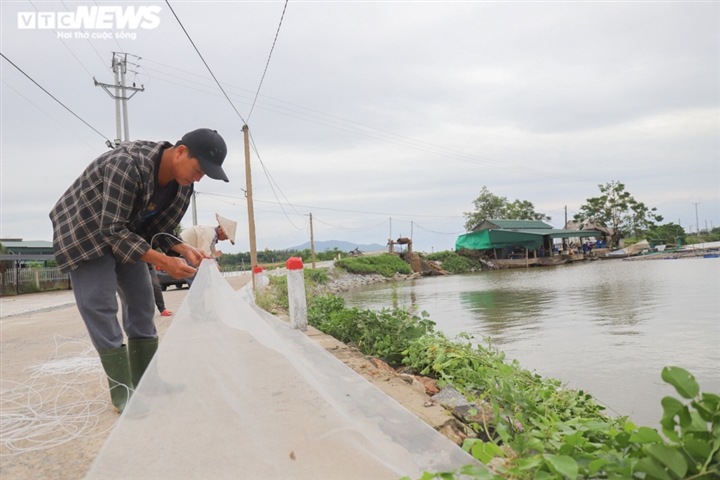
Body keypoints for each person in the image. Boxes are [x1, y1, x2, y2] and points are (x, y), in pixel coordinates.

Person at [49, 128, 229, 414]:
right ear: (180, 151)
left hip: (128, 234)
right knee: (100, 303)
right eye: (198, 169)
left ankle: (149, 380)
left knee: (143, 300)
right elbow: (111, 228)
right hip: (86, 231)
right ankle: (122, 391)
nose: (198, 178)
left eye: (204, 175)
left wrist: (183, 250)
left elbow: (160, 229)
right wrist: (165, 261)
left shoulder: (182, 185)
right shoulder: (129, 164)